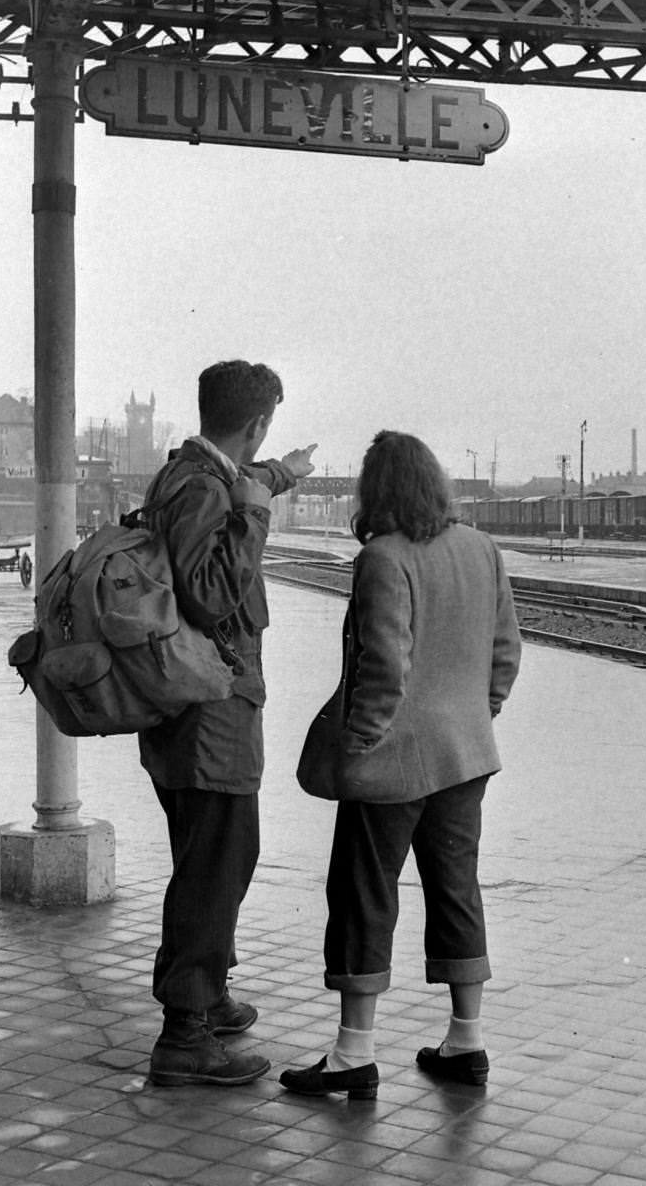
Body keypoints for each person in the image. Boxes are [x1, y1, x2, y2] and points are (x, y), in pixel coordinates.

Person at [280, 430, 521, 1100]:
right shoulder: (481, 548)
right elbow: (506, 652)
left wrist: (361, 744)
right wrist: (477, 716)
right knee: (456, 888)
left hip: (392, 762)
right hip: (464, 757)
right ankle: (466, 1040)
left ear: (375, 491)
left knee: (363, 895)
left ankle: (353, 1053)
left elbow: (384, 666)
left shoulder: (383, 558)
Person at [140, 359, 316, 1087]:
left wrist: (281, 474)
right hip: (211, 711)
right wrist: (261, 512)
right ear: (256, 424)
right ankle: (185, 1034)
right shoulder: (205, 487)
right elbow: (212, 595)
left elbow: (243, 481)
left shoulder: (194, 469)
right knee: (218, 863)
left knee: (211, 858)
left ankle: (203, 998)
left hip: (197, 706)